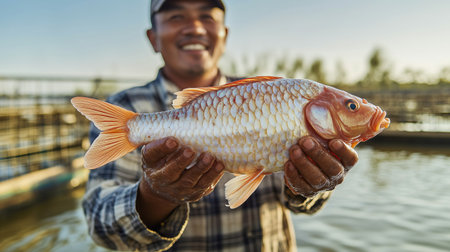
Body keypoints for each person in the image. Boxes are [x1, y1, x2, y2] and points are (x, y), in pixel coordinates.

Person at [82, 0, 359, 251]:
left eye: (207, 16)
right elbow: (99, 225)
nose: (194, 28)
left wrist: (310, 187)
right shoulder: (127, 105)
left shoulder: (272, 94)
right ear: (153, 38)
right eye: (176, 16)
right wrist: (156, 196)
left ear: (225, 36)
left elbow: (305, 205)